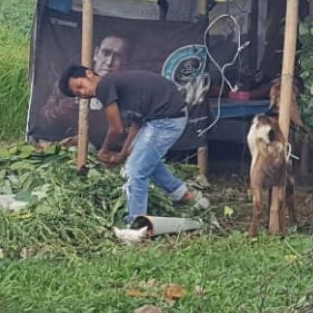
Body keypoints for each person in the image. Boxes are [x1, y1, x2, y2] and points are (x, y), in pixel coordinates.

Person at [58, 65, 208, 225]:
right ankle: (183, 195)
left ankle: (136, 223)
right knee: (146, 160)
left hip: (166, 119)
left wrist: (104, 150)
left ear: (89, 74)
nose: (82, 93)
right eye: (77, 94)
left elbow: (116, 129)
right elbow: (137, 122)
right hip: (162, 117)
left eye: (80, 86)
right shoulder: (117, 88)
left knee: (136, 170)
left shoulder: (104, 85)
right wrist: (123, 154)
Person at [38, 34, 132, 142]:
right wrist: (62, 110)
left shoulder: (127, 91)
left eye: (118, 56)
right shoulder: (70, 85)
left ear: (126, 61)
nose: (109, 62)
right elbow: (43, 122)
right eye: (106, 53)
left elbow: (125, 129)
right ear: (96, 53)